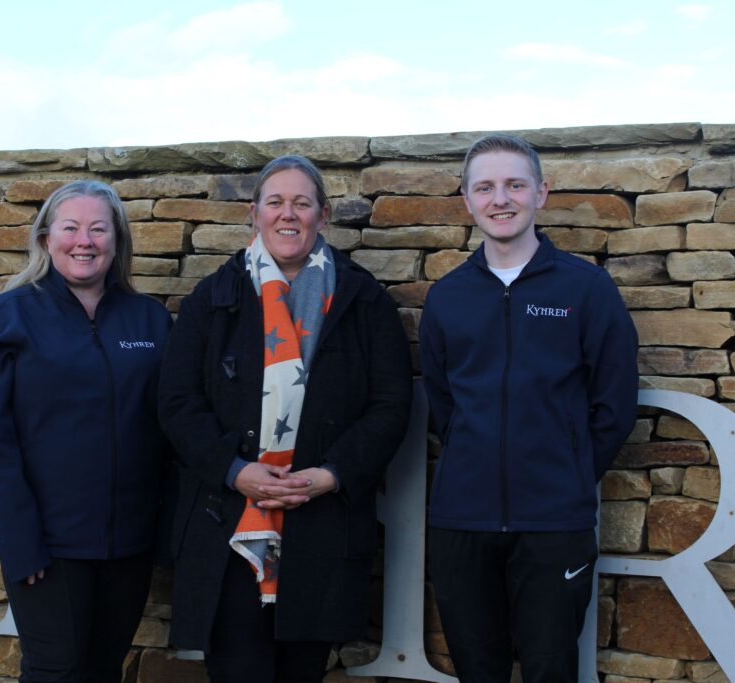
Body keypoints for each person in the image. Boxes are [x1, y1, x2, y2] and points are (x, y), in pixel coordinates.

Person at [159, 155, 412, 683]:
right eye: (275, 202)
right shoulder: (212, 300)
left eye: (302, 202)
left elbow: (390, 406)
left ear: (323, 215)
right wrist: (232, 468)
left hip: (320, 525)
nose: (287, 214)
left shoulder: (364, 300)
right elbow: (178, 404)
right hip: (229, 527)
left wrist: (332, 473)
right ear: (254, 213)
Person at [419, 134, 639, 683]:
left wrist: (568, 473)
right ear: (467, 200)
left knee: (550, 670)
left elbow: (614, 403)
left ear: (541, 192)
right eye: (485, 187)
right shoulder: (447, 297)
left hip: (553, 523)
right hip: (461, 523)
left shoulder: (586, 289)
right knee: (477, 670)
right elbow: (443, 403)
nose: (501, 199)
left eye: (515, 184)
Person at [0, 180, 172, 682]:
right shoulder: (8, 316)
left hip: (130, 544)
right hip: (49, 549)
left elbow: (170, 429)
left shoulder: (149, 319)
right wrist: (20, 542)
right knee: (56, 670)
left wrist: (164, 535)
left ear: (117, 241)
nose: (85, 240)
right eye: (71, 227)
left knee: (104, 670)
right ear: (45, 238)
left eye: (99, 228)